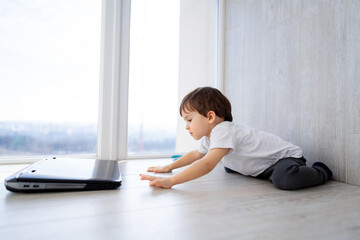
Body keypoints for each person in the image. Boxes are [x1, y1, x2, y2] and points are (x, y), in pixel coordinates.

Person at [140, 87, 333, 190]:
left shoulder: (222, 130)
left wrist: (171, 181)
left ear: (210, 117)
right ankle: (265, 174)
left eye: (189, 119)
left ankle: (321, 172)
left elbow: (206, 164)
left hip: (283, 158)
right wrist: (168, 167)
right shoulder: (210, 136)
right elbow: (195, 154)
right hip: (262, 167)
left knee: (284, 181)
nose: (187, 126)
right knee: (228, 165)